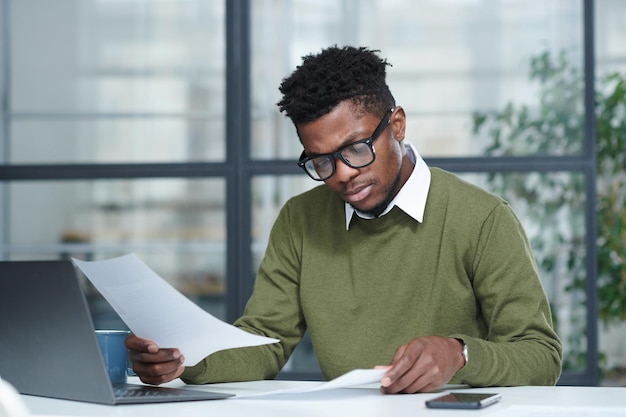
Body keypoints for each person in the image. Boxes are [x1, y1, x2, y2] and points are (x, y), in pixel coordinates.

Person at [126, 45, 562, 394]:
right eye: (321, 161)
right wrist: (184, 359)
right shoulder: (301, 219)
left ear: (398, 124)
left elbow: (540, 354)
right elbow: (265, 340)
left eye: (356, 149)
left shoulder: (483, 219)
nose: (343, 175)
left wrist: (460, 354)